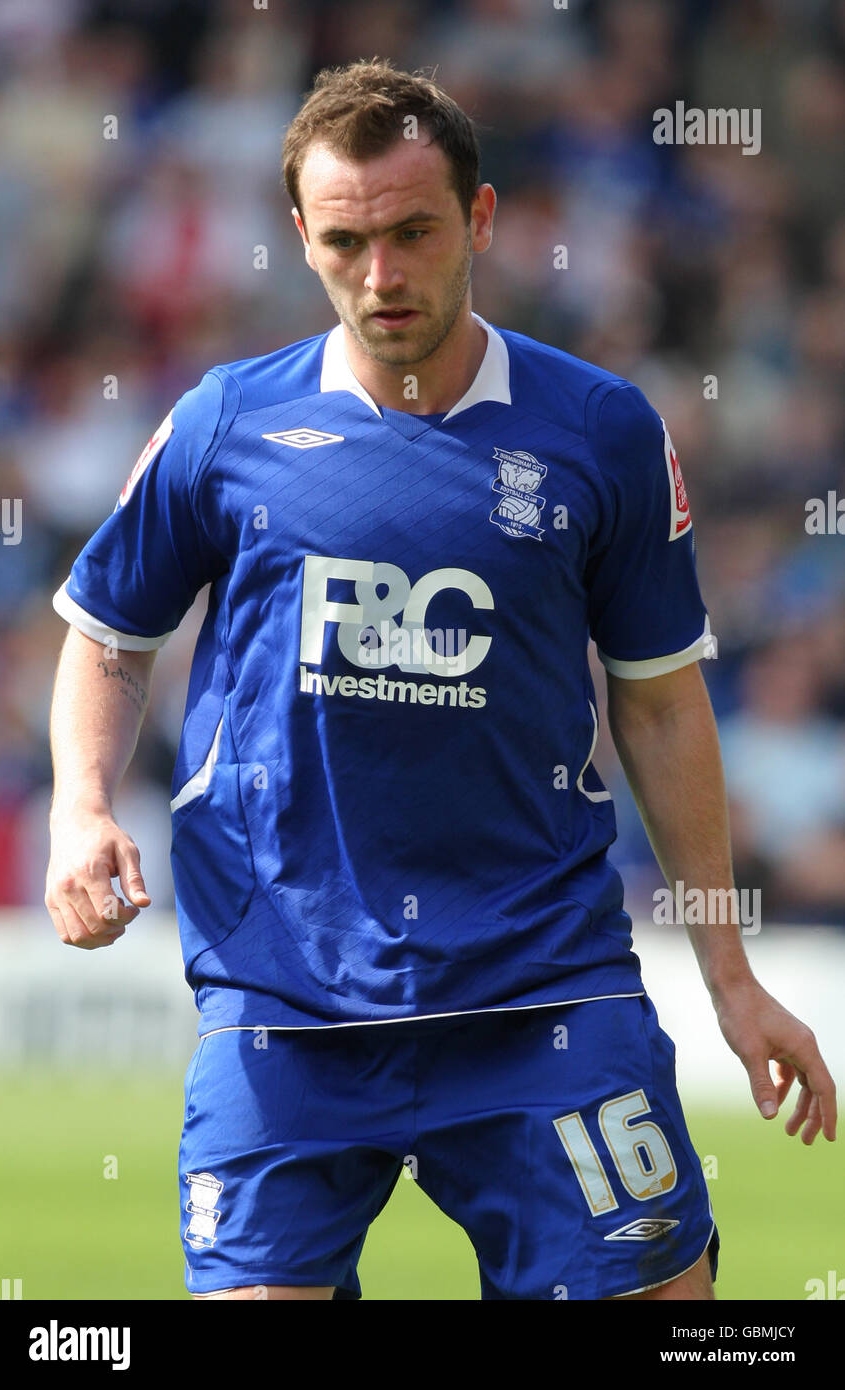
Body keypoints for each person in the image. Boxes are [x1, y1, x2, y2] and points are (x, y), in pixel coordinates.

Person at [45, 59, 836, 1302]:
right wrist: (80, 803)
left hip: (542, 987)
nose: (381, 275)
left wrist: (728, 978)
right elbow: (105, 633)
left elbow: (660, 704)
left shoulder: (600, 430)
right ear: (299, 236)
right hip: (284, 995)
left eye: (412, 233)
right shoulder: (221, 424)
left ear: (478, 219)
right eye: (346, 241)